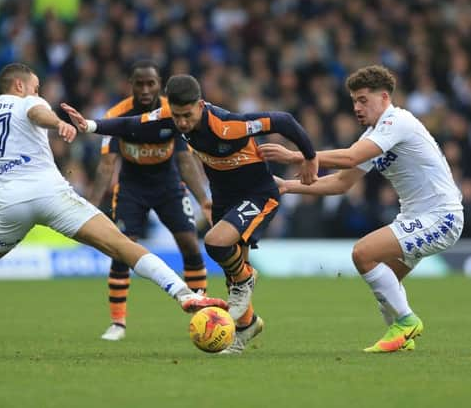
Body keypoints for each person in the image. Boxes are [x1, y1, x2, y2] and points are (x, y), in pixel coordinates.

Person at [0, 63, 227, 357]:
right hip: (52, 195)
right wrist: (58, 124)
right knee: (121, 245)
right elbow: (39, 112)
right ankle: (184, 294)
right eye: (36, 87)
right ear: (22, 86)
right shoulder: (29, 104)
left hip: (10, 205)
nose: (39, 93)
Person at [62, 74, 319, 353]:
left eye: (187, 115)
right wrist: (90, 125)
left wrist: (309, 157)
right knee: (231, 268)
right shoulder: (169, 116)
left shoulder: (228, 126)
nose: (182, 122)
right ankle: (247, 327)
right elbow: (130, 124)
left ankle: (246, 279)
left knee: (215, 243)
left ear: (200, 104)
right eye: (177, 116)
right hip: (223, 198)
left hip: (257, 195)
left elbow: (283, 121)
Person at [258, 65, 464, 352]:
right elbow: (342, 183)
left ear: (384, 97)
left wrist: (297, 155)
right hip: (417, 217)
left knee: (363, 253)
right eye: (354, 100)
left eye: (363, 100)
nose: (356, 107)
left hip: (441, 216)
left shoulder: (397, 122)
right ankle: (403, 336)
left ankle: (407, 322)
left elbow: (352, 156)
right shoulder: (375, 135)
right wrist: (287, 186)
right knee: (386, 293)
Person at [91, 60, 211, 341]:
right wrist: (91, 204)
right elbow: (107, 165)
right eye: (139, 83)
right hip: (132, 189)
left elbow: (185, 159)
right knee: (123, 249)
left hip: (169, 186)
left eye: (151, 83)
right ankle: (118, 323)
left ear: (160, 85)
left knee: (190, 245)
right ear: (130, 85)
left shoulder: (174, 112)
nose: (145, 89)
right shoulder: (118, 116)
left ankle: (201, 314)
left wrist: (204, 199)